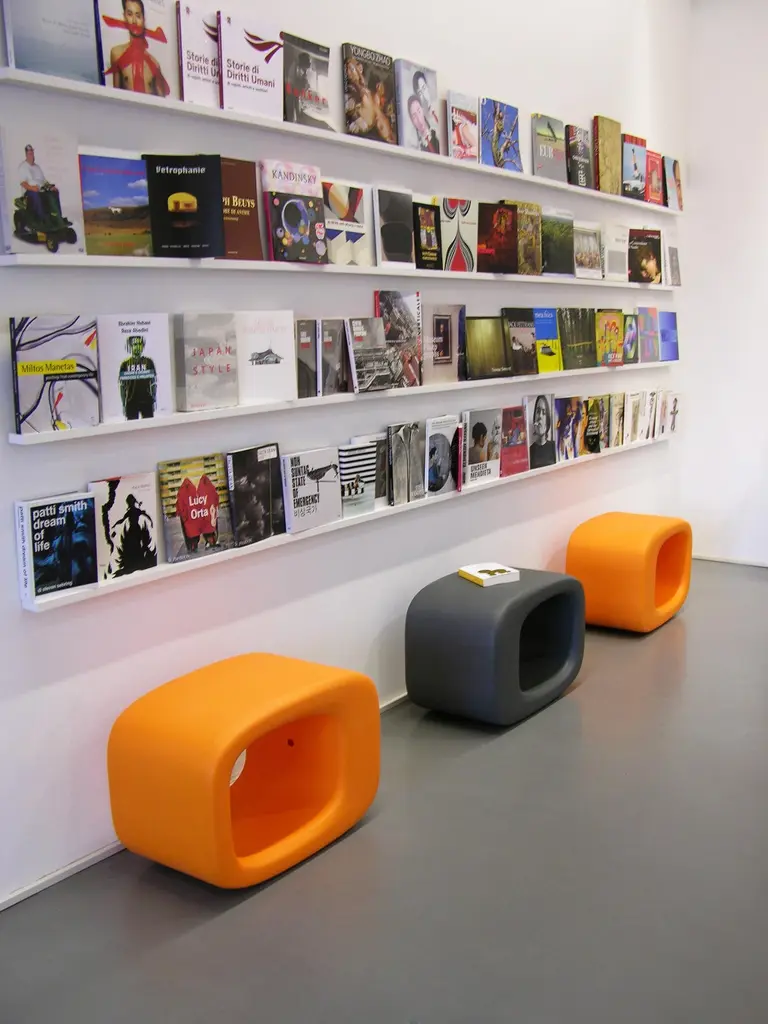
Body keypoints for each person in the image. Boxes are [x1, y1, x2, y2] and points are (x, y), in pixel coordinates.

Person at [104, 0, 170, 97]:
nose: (134, 21)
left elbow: (162, 102)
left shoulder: (154, 64)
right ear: (124, 16)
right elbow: (116, 98)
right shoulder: (116, 53)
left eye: (138, 16)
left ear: (143, 19)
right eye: (130, 14)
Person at [118, 334, 157, 420]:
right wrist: (123, 404)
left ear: (142, 346)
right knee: (131, 426)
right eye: (135, 344)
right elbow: (122, 386)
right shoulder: (125, 364)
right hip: (131, 401)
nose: (137, 347)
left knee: (149, 425)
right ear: (131, 346)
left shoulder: (149, 362)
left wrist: (154, 400)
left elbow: (153, 383)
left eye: (139, 344)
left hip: (147, 401)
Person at [18, 144, 53, 221]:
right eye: (29, 153)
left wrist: (51, 187)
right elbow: (23, 183)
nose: (31, 155)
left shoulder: (37, 167)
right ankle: (41, 220)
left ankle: (56, 218)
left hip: (40, 189)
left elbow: (44, 181)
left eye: (32, 153)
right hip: (29, 192)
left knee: (53, 194)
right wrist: (32, 188)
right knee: (36, 195)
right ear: (26, 154)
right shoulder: (23, 167)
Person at [529, 395, 556, 469]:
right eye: (538, 411)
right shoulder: (530, 451)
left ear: (547, 420)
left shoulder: (553, 447)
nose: (540, 416)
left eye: (544, 413)